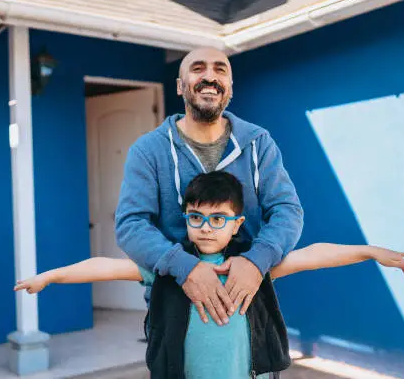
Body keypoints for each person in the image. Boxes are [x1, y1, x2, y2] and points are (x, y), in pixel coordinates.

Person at [16, 172, 404, 379]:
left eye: (218, 218)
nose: (206, 227)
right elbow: (103, 266)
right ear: (186, 218)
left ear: (236, 222)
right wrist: (50, 275)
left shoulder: (254, 266)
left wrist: (370, 252)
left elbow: (313, 255)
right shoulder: (169, 268)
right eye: (196, 217)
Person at [115, 47, 304, 332]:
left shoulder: (258, 143)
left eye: (220, 70)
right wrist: (185, 268)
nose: (210, 76)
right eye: (197, 68)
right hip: (174, 313)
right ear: (180, 87)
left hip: (249, 306)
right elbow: (131, 224)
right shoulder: (148, 150)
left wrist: (256, 261)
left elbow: (287, 210)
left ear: (229, 87)